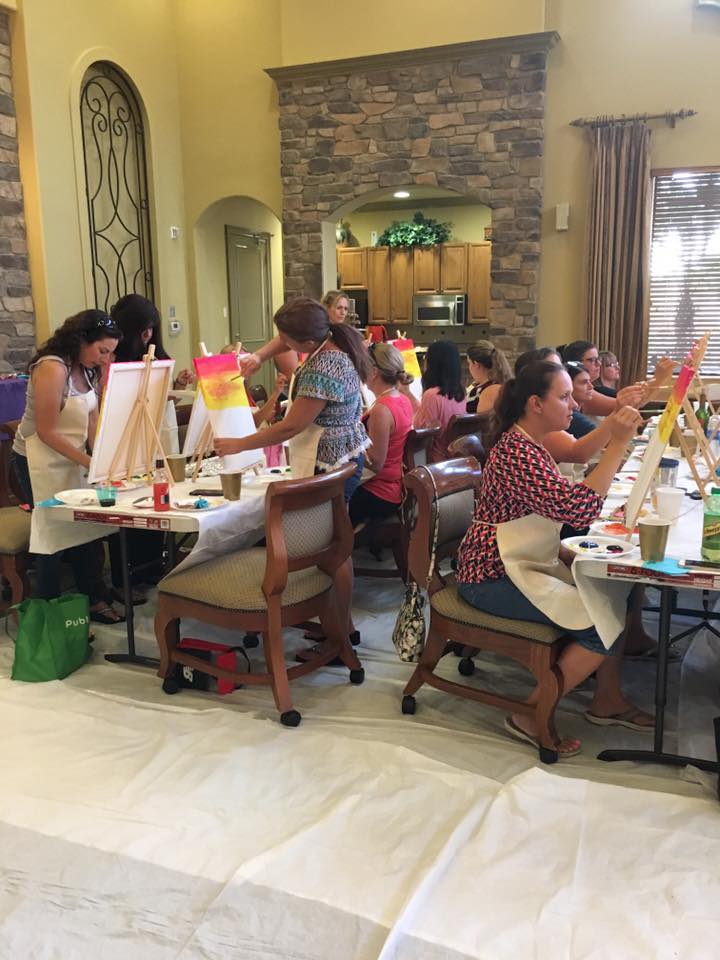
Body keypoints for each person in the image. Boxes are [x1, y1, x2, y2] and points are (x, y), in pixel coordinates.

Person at [456, 360, 652, 756]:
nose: (574, 405)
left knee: (613, 591)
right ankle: (530, 713)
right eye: (564, 397)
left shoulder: (530, 444)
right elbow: (578, 511)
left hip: (519, 560)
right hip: (489, 574)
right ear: (536, 403)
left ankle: (607, 699)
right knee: (599, 622)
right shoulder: (517, 452)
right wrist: (617, 442)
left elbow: (555, 506)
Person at [11, 310, 125, 623]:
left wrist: (101, 458)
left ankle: (92, 599)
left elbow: (91, 418)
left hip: (71, 457)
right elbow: (46, 432)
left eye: (110, 353)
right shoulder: (52, 367)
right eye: (102, 350)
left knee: (86, 527)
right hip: (36, 459)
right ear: (81, 340)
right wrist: (90, 462)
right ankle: (50, 615)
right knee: (52, 533)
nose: (105, 359)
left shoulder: (88, 369)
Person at [216, 297, 370, 501]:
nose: (281, 342)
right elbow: (285, 339)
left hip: (329, 463)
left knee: (317, 520)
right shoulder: (327, 339)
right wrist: (259, 356)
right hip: (341, 457)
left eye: (286, 339)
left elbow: (290, 427)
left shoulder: (323, 369)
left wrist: (239, 444)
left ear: (308, 343)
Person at [348, 342, 414, 526]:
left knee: (325, 501)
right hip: (392, 487)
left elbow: (375, 463)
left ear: (374, 371)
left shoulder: (382, 410)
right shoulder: (402, 399)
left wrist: (350, 437)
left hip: (378, 491)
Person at [237, 289, 350, 382]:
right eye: (339, 308)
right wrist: (258, 356)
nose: (343, 312)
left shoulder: (321, 372)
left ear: (309, 343)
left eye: (345, 309)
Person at [110, 294, 194, 388]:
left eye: (151, 328)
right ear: (128, 329)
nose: (148, 334)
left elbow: (166, 395)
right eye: (143, 329)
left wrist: (179, 383)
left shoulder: (156, 355)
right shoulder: (110, 360)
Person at [406, 340, 466, 462]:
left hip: (434, 461)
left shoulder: (432, 395)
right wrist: (407, 392)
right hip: (454, 459)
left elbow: (420, 432)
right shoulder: (461, 393)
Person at [465, 340, 512, 414]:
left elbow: (482, 420)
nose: (469, 367)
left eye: (469, 363)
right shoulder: (480, 385)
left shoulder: (491, 390)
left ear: (476, 364)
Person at [565, 361, 599, 439]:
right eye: (584, 382)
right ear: (568, 386)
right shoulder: (570, 415)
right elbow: (600, 436)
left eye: (590, 381)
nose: (591, 386)